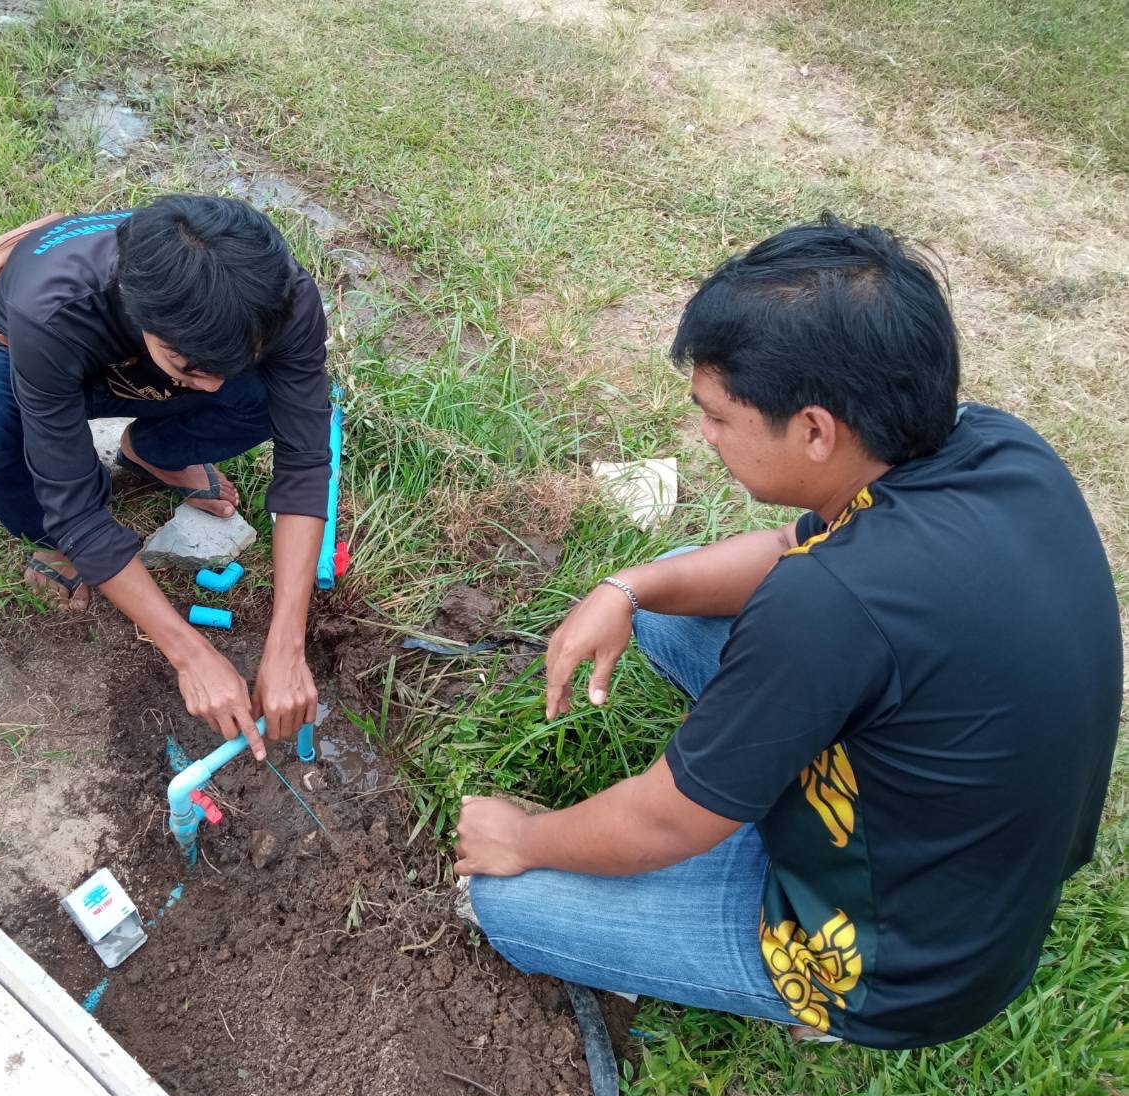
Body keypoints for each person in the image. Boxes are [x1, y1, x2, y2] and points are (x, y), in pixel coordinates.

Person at [452, 214, 1120, 1048]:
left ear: (813, 430)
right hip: (975, 875)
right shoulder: (997, 446)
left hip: (897, 968)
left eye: (718, 416)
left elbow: (671, 822)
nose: (704, 435)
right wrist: (625, 585)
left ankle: (826, 1013)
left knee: (507, 904)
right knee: (678, 589)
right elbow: (783, 550)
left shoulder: (828, 606)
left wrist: (521, 836)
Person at [0, 196, 330, 756]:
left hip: (140, 361)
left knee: (269, 398)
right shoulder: (57, 308)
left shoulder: (280, 295)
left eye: (224, 368)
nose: (212, 387)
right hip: (42, 360)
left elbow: (305, 459)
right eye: (192, 368)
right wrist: (190, 655)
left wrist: (287, 644)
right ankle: (48, 541)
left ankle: (153, 450)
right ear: (141, 318)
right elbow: (79, 511)